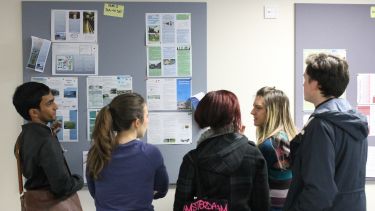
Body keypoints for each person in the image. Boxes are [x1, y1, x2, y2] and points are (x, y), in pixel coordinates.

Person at [284, 53, 368, 211]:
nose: (303, 84)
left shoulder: (320, 125)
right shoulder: (356, 121)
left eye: (305, 78)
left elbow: (319, 191)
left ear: (315, 83)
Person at [174, 90, 270, 211]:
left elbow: (180, 206)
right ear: (234, 115)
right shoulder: (253, 154)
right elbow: (262, 204)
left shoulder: (192, 159)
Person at [86, 93, 169, 211]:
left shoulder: (96, 152)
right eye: (147, 115)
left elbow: (94, 192)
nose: (148, 120)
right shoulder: (151, 154)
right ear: (137, 122)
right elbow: (162, 190)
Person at [12, 81, 83, 209]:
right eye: (49, 103)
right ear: (34, 112)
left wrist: (51, 135)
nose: (56, 106)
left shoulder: (23, 137)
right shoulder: (46, 141)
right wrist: (79, 180)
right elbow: (62, 187)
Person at [251, 86, 297, 211]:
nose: (252, 112)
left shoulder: (269, 146)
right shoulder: (287, 138)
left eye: (258, 108)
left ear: (273, 112)